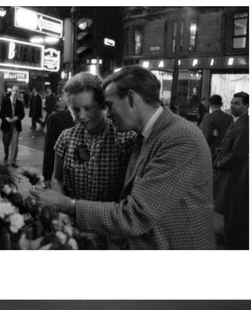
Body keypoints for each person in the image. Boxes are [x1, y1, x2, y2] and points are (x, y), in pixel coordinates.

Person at [32, 66, 215, 250]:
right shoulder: (146, 135)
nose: (108, 113)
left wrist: (69, 206)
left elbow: (136, 215)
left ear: (131, 98)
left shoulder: (179, 138)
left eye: (109, 105)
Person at [50, 72, 136, 203]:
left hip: (110, 219)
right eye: (76, 109)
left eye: (88, 108)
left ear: (102, 104)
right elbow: (57, 179)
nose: (81, 116)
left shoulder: (126, 138)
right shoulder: (66, 138)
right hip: (71, 219)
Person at [212, 91, 249, 237]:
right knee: (227, 203)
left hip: (233, 172)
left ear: (246, 106)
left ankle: (229, 236)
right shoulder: (237, 121)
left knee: (230, 203)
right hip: (228, 169)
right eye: (232, 103)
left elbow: (237, 153)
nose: (233, 106)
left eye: (237, 103)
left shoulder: (244, 124)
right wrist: (221, 150)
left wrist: (220, 163)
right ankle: (227, 233)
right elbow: (231, 145)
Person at [42, 103, 75, 185]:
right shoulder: (55, 118)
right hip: (63, 177)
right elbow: (49, 149)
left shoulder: (91, 118)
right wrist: (47, 177)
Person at [0, 85, 25, 168]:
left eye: (17, 91)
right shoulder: (5, 101)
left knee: (15, 145)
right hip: (6, 126)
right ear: (11, 91)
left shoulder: (20, 103)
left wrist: (16, 118)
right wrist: (6, 118)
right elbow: (1, 113)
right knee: (6, 143)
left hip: (15, 127)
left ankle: (13, 161)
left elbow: (22, 114)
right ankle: (6, 158)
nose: (15, 93)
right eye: (14, 91)